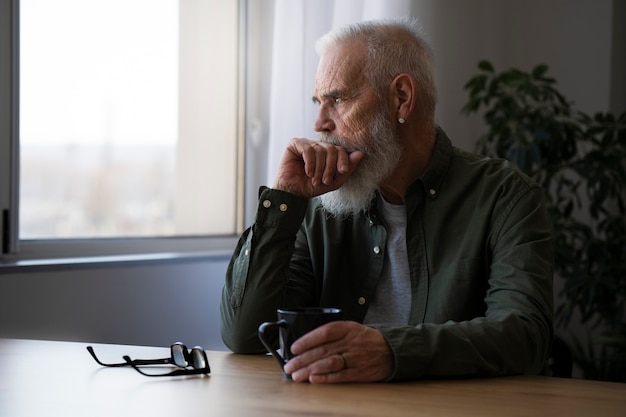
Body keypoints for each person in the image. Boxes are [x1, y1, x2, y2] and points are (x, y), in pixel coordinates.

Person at [220, 18, 554, 383]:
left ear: (402, 98)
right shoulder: (320, 206)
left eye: (337, 99)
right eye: (318, 102)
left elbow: (525, 336)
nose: (319, 123)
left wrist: (391, 350)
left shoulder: (505, 197)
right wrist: (285, 198)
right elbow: (246, 336)